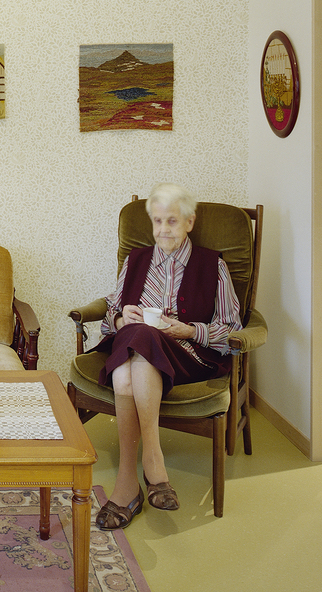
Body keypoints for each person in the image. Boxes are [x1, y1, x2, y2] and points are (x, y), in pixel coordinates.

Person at [92, 183, 242, 530]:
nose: (163, 230)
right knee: (134, 350)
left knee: (135, 351)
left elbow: (232, 329)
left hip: (186, 357)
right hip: (135, 351)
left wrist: (189, 331)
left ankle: (131, 479)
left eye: (172, 221)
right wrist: (121, 318)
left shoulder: (213, 265)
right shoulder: (135, 260)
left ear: (189, 222)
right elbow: (111, 311)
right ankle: (149, 467)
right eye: (157, 221)